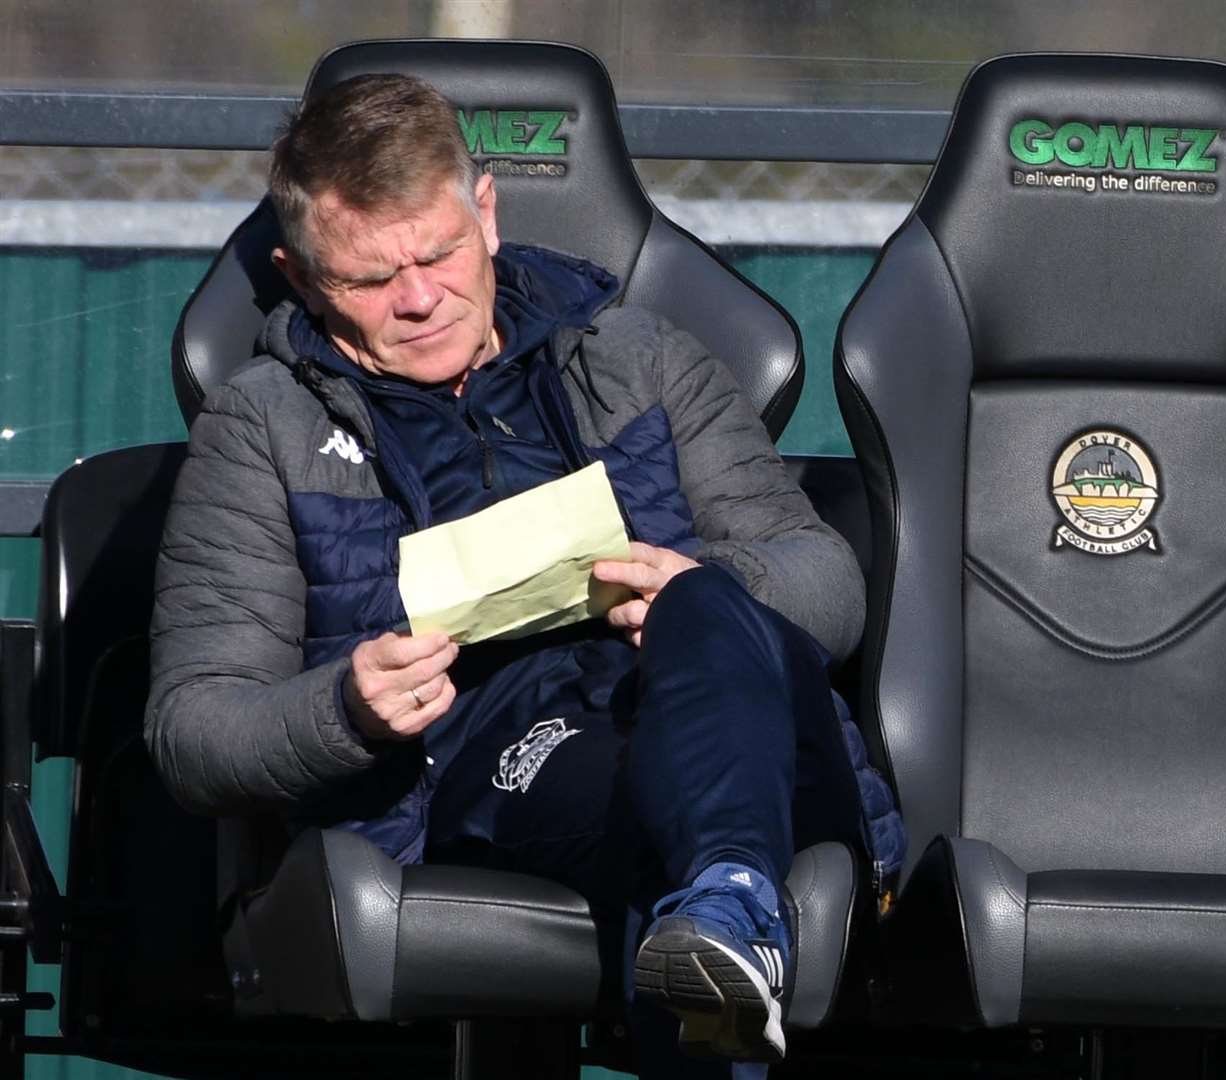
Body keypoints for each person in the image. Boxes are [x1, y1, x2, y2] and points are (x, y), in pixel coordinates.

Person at [145, 72, 902, 1076]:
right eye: (371, 280)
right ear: (300, 273)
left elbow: (827, 584)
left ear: (487, 213)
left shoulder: (635, 358)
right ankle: (728, 909)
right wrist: (345, 706)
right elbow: (194, 729)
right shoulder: (267, 428)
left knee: (715, 605)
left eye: (440, 253)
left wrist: (693, 577)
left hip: (734, 699)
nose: (418, 299)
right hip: (510, 749)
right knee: (653, 818)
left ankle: (722, 902)